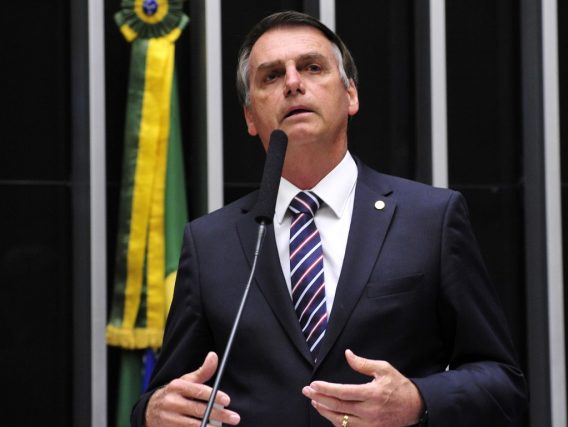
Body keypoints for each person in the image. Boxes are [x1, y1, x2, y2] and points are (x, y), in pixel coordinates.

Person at [132, 10, 528, 427]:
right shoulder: (210, 242)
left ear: (350, 94)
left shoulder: (430, 220)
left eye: (312, 67)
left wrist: (417, 400)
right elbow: (163, 397)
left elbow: (504, 385)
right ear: (250, 117)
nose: (292, 83)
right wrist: (154, 411)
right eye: (271, 76)